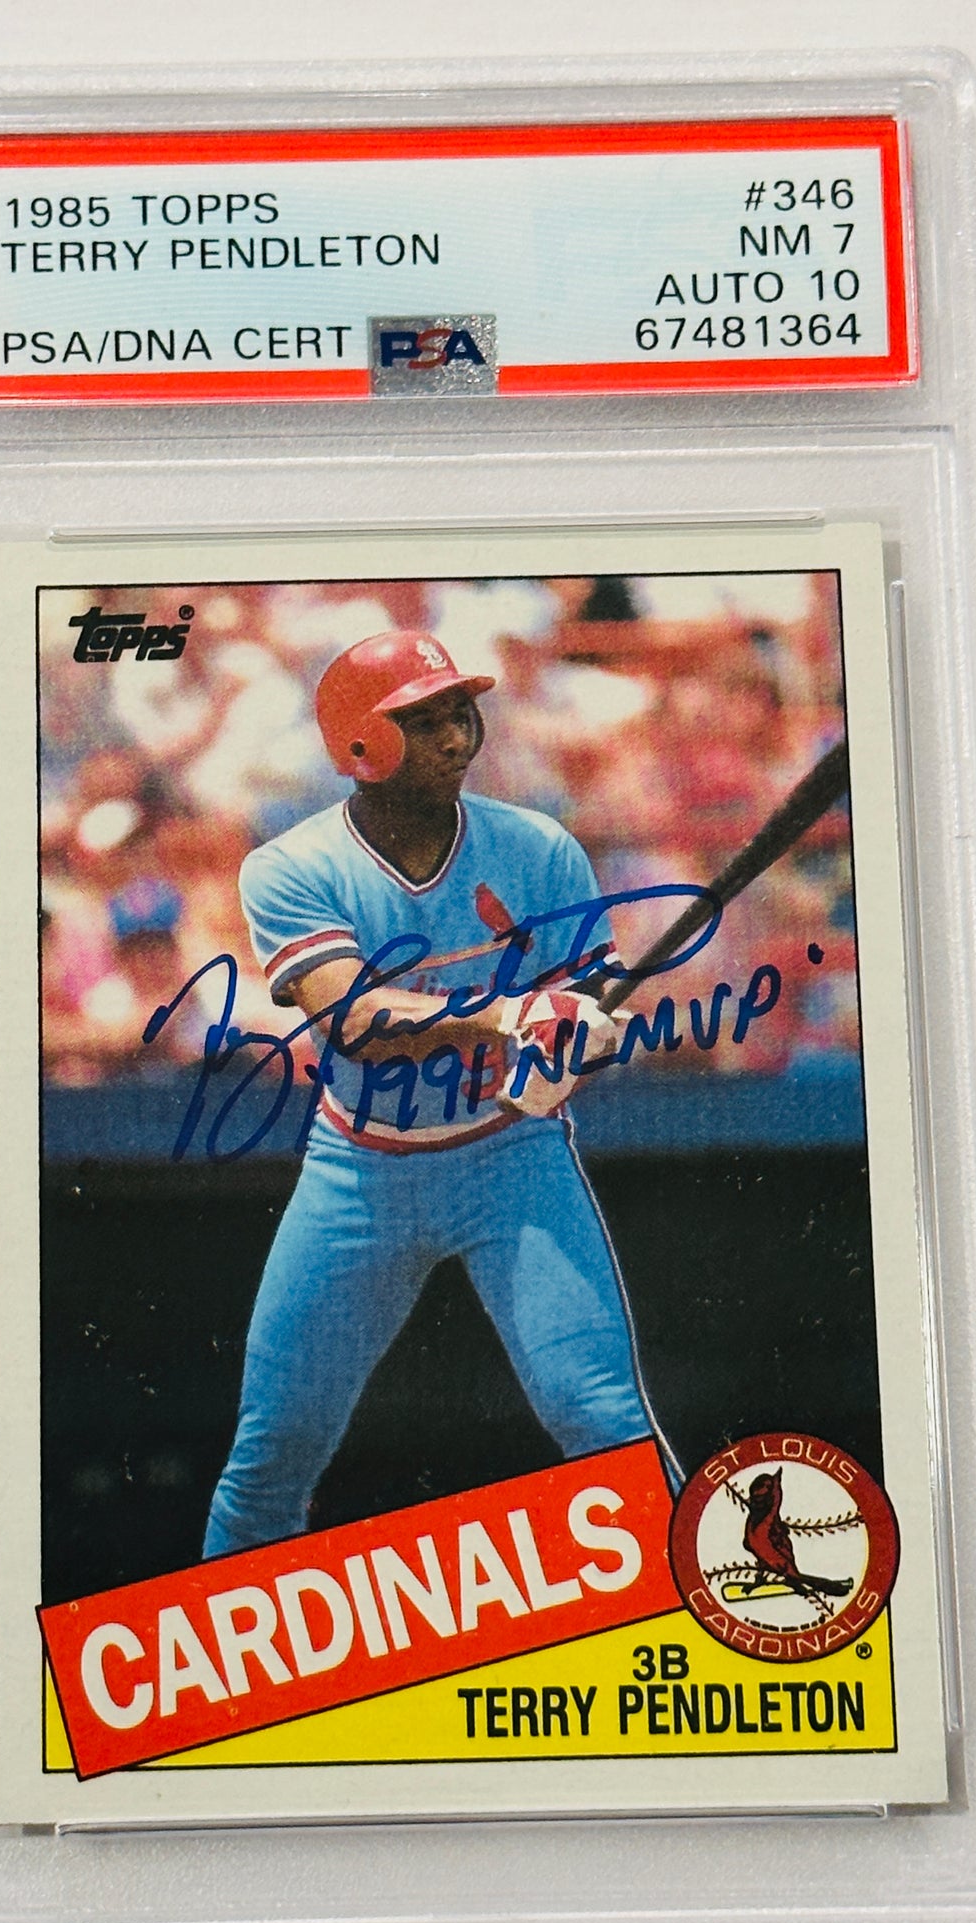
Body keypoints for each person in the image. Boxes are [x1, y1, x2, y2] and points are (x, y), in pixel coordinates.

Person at [202, 630, 673, 1559]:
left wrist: (577, 1041)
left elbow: (584, 997)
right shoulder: (291, 867)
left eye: (461, 713)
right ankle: (215, 1655)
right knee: (273, 1454)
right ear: (361, 742)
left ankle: (695, 1619)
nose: (457, 736)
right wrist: (511, 1015)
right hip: (359, 1176)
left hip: (511, 1156)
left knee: (602, 1417)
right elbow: (354, 1019)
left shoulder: (537, 846)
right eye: (423, 722)